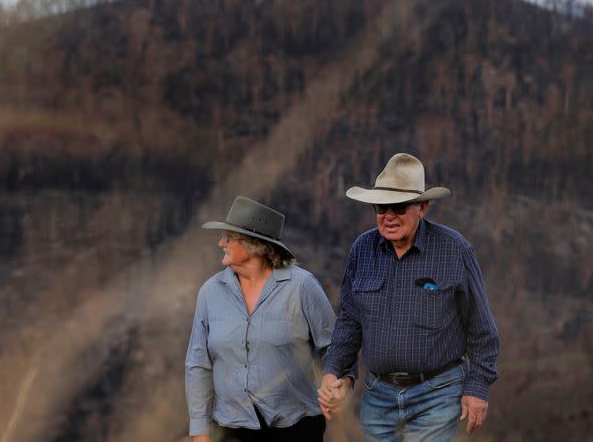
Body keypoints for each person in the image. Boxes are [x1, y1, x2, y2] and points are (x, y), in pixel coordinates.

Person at [318, 153, 499, 441]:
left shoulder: (454, 250)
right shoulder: (362, 250)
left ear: (422, 207)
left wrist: (477, 387)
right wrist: (333, 372)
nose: (389, 215)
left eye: (399, 206)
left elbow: (482, 328)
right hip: (378, 395)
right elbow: (350, 320)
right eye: (381, 206)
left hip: (437, 392)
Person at [185, 196, 339, 442]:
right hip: (231, 430)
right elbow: (198, 364)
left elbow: (335, 344)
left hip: (296, 429)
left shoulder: (301, 286)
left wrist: (335, 382)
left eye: (228, 237)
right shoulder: (210, 292)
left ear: (253, 244)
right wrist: (200, 430)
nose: (220, 243)